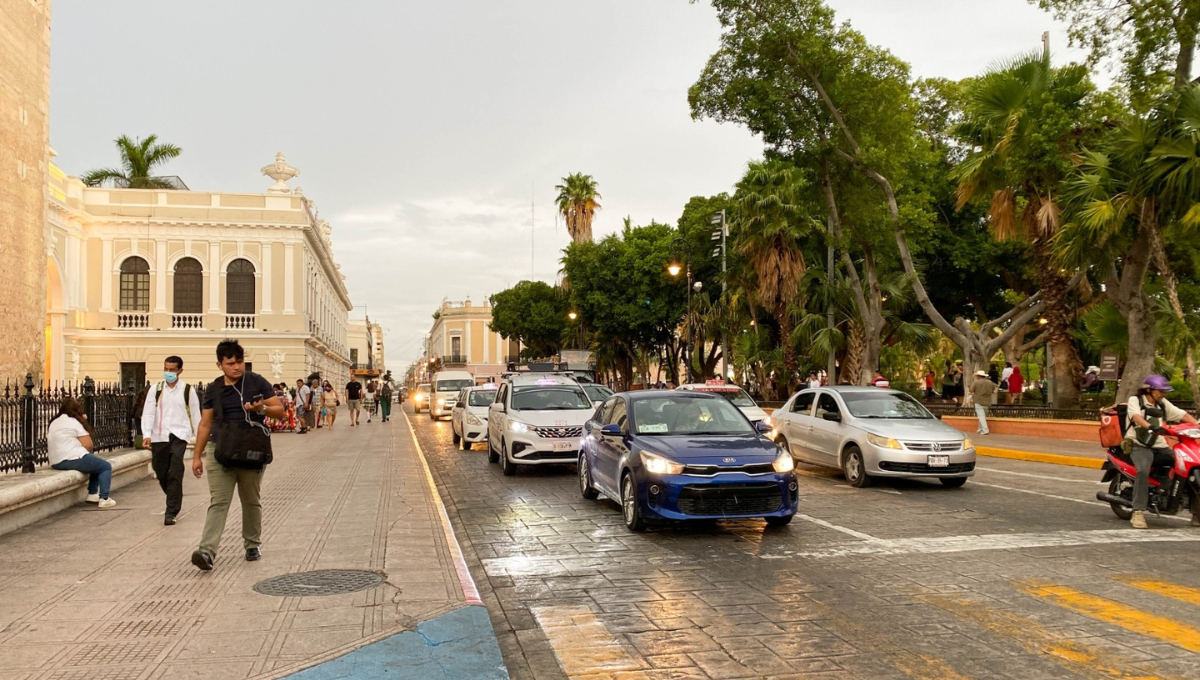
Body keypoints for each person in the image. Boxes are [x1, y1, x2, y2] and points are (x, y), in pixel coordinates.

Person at [189, 340, 283, 571]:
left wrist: (261, 409)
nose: (236, 367)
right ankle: (206, 551)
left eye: (239, 362)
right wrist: (196, 456)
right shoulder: (214, 389)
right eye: (230, 363)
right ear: (219, 364)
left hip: (251, 449)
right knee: (219, 502)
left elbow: (279, 411)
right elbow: (204, 423)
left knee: (250, 499)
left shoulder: (256, 381)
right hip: (220, 449)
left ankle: (252, 544)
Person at [1124, 375, 1199, 529]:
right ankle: (1137, 512)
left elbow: (1181, 414)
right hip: (1139, 445)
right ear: (1149, 389)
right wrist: (1149, 426)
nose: (1163, 394)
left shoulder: (1162, 403)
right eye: (1160, 391)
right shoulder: (1135, 400)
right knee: (1143, 470)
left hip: (1159, 446)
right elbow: (1136, 416)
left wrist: (1196, 424)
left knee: (1186, 467)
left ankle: (1196, 513)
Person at [140, 356, 202, 526]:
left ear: (180, 371)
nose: (168, 372)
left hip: (179, 434)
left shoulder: (188, 390)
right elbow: (148, 413)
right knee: (160, 471)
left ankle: (171, 510)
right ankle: (174, 495)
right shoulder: (156, 389)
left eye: (172, 370)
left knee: (175, 469)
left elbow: (196, 415)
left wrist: (199, 440)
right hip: (159, 435)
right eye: (166, 369)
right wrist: (146, 434)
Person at [49, 396, 116, 508]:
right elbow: (88, 445)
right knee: (105, 467)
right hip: (72, 457)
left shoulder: (55, 422)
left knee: (95, 463)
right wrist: (83, 421)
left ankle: (93, 494)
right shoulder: (74, 422)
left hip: (56, 461)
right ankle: (104, 498)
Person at [969, 370, 997, 435]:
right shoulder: (990, 382)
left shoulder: (976, 382)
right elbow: (993, 389)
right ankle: (980, 429)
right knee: (982, 416)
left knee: (981, 416)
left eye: (976, 376)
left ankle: (985, 430)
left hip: (978, 401)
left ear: (978, 376)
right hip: (987, 401)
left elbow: (971, 390)